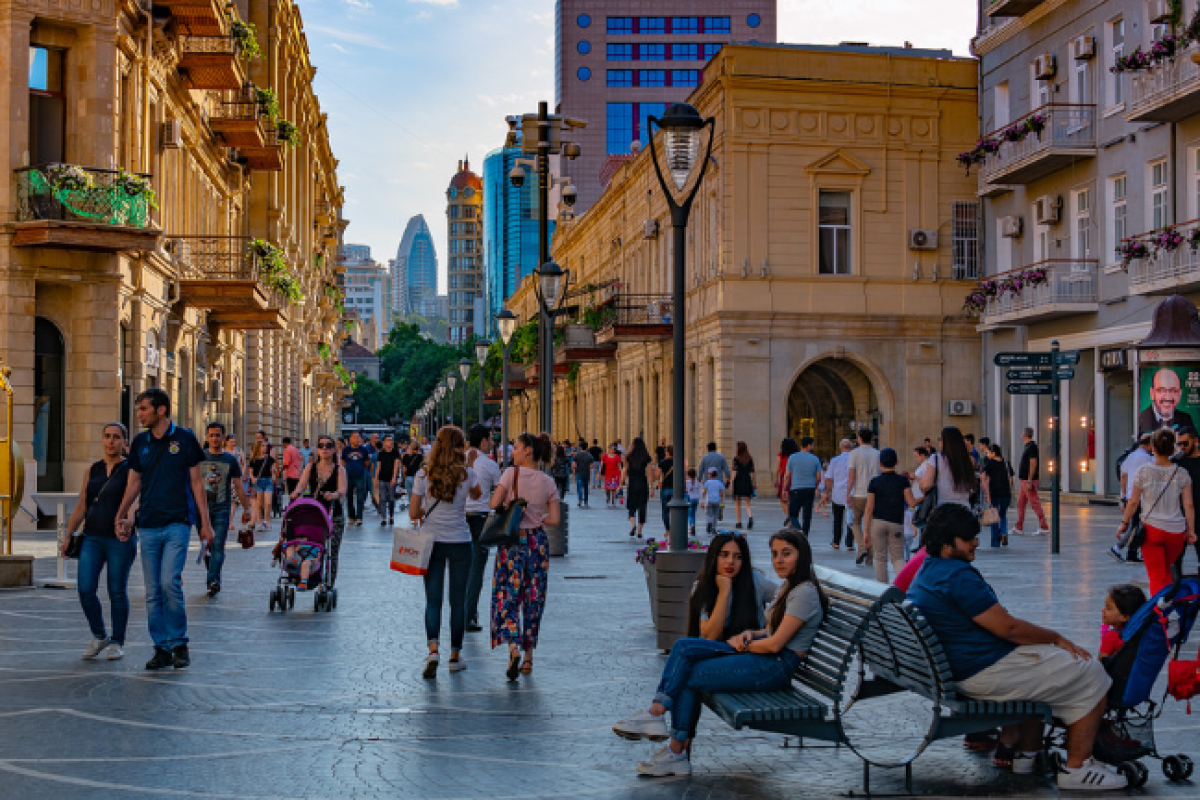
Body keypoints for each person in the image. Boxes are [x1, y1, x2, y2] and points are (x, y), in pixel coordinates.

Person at [907, 505, 1125, 790]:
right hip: (979, 670)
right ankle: (1077, 769)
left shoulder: (929, 569)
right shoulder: (957, 576)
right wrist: (1055, 637)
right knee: (1091, 672)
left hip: (958, 665)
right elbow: (1006, 628)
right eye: (969, 537)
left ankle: (1027, 756)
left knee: (1058, 668)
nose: (976, 542)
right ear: (948, 544)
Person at [611, 531, 827, 777]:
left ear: (803, 556)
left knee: (686, 662)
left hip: (773, 664)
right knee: (684, 651)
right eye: (775, 554)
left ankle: (663, 728)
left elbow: (776, 644)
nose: (778, 560)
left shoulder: (802, 592)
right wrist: (753, 634)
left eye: (786, 554)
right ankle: (670, 742)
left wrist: (744, 644)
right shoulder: (790, 587)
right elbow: (771, 631)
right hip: (763, 659)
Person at [114, 388, 213, 671]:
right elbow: (134, 484)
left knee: (170, 582)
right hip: (147, 525)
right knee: (152, 590)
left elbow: (197, 484)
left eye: (143, 408)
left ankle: (179, 643)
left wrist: (205, 524)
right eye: (138, 409)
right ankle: (161, 648)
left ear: (161, 410)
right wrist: (121, 514)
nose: (139, 414)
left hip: (177, 523)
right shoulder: (140, 442)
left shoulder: (185, 439)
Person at [409, 426, 482, 678]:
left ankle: (433, 650)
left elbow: (412, 513)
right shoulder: (468, 474)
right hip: (461, 541)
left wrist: (425, 513)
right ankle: (455, 655)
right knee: (457, 601)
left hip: (432, 542)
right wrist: (468, 464)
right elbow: (477, 494)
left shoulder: (423, 475)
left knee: (433, 599)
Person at [490, 432, 561, 680]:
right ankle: (528, 656)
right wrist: (538, 519)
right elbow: (555, 519)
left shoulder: (511, 474)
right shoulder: (548, 482)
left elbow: (493, 503)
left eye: (517, 448)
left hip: (513, 542)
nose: (513, 452)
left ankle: (512, 647)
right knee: (533, 597)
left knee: (508, 594)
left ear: (528, 450)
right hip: (537, 543)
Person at [63, 422, 134, 661]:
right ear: (102, 440)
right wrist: (69, 534)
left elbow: (135, 501)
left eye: (116, 437)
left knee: (116, 590)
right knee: (85, 588)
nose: (111, 441)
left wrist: (130, 521)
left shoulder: (131, 469)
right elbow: (82, 504)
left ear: (124, 442)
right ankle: (99, 634)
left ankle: (117, 640)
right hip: (92, 537)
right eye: (107, 436)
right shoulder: (91, 470)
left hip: (118, 539)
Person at [1117, 427, 1196, 594]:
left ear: (1153, 447)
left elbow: (1133, 502)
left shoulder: (1144, 472)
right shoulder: (1182, 473)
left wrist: (1124, 524)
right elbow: (1188, 505)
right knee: (1166, 572)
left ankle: (1160, 615)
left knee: (1157, 575)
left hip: (1152, 529)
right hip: (1176, 531)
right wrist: (1191, 530)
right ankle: (1169, 606)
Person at [686, 533, 777, 640]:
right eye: (724, 555)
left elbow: (789, 598)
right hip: (716, 650)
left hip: (748, 650)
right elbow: (711, 636)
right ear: (714, 557)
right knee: (682, 645)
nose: (730, 562)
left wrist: (767, 630)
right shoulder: (702, 585)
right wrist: (724, 592)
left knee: (681, 646)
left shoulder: (755, 580)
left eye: (738, 557)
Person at [200, 422, 251, 597]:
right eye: (211, 435)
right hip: (202, 509)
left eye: (218, 435)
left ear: (223, 437)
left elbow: (238, 485)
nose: (214, 438)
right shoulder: (200, 457)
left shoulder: (230, 460)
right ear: (207, 437)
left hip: (222, 508)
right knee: (207, 546)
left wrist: (246, 508)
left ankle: (213, 580)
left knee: (218, 545)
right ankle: (212, 575)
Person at [291, 435, 348, 586]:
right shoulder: (310, 467)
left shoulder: (339, 469)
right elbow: (301, 485)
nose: (325, 449)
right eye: (321, 445)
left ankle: (329, 582)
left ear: (334, 449)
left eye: (328, 445)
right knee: (312, 547)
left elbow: (343, 489)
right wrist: (296, 493)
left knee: (332, 550)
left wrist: (334, 494)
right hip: (314, 514)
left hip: (333, 513)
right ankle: (311, 575)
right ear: (317, 448)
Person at [465, 425, 501, 632]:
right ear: (483, 441)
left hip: (459, 520)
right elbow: (499, 493)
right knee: (477, 569)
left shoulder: (459, 462)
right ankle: (469, 615)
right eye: (490, 439)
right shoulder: (489, 465)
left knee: (461, 568)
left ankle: (459, 613)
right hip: (480, 519)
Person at [863, 448, 917, 583]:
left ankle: (882, 589)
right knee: (898, 558)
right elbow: (911, 502)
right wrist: (923, 497)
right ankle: (902, 587)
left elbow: (869, 508)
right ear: (897, 462)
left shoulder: (874, 482)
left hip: (878, 522)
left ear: (880, 463)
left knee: (880, 558)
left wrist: (865, 531)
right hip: (896, 523)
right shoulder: (902, 481)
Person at [1115, 432, 1154, 562]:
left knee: (1135, 524)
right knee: (1137, 525)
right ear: (1149, 444)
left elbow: (1124, 476)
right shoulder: (1147, 459)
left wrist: (1124, 494)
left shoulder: (1130, 456)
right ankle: (1125, 549)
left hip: (1130, 495)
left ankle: (1128, 550)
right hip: (1142, 497)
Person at [919, 426, 977, 510]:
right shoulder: (968, 460)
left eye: (940, 439)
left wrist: (920, 483)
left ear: (944, 441)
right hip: (965, 509)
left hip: (944, 509)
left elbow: (926, 485)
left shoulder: (936, 458)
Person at [847, 428, 881, 563]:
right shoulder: (877, 454)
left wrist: (847, 492)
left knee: (855, 522)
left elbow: (851, 475)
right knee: (872, 524)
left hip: (858, 493)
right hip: (874, 494)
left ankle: (862, 548)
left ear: (859, 438)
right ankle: (870, 556)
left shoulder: (854, 453)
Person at [1172, 426, 1200, 568]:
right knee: (1176, 561)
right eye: (1179, 444)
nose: (1182, 447)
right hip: (1180, 517)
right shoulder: (1177, 463)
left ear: (1195, 441)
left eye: (1185, 443)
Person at [1014, 427, 1049, 536]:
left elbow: (1033, 463)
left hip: (1028, 480)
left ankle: (1044, 526)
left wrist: (1030, 480)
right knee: (1020, 503)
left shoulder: (1032, 447)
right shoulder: (1028, 446)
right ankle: (1018, 527)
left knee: (1034, 503)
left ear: (1024, 434)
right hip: (1024, 480)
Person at [783, 436, 822, 534]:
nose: (813, 447)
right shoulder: (815, 459)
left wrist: (784, 489)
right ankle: (805, 535)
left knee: (792, 514)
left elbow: (787, 476)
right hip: (810, 489)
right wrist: (816, 486)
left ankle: (798, 529)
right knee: (807, 516)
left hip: (796, 489)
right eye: (812, 445)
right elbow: (818, 477)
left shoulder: (792, 457)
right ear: (808, 445)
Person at [1138, 368, 1196, 434]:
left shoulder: (1186, 419)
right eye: (1161, 390)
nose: (1167, 397)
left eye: (1173, 390)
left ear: (1180, 394)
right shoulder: (1141, 418)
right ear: (1152, 393)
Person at [1098, 584, 1147, 658]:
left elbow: (1101, 663)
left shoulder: (1112, 636)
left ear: (1124, 617)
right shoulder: (1142, 632)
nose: (1103, 610)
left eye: (1108, 608)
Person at [981, 444, 1014, 549]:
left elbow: (983, 477)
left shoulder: (990, 464)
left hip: (995, 492)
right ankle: (1004, 532)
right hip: (1006, 493)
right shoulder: (1005, 463)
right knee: (1003, 515)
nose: (987, 454)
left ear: (993, 453)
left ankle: (995, 541)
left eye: (988, 452)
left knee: (994, 516)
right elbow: (1011, 479)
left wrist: (987, 493)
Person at [823, 439, 853, 550]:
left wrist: (826, 492)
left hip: (838, 494)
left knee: (837, 519)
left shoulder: (835, 460)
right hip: (852, 493)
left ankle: (836, 542)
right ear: (851, 448)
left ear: (841, 448)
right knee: (851, 519)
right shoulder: (854, 459)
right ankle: (849, 543)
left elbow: (829, 478)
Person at [622, 437, 654, 538]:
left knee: (631, 505)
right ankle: (639, 531)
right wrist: (651, 487)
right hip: (642, 483)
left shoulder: (629, 456)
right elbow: (649, 473)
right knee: (642, 506)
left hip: (632, 483)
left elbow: (624, 467)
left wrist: (621, 482)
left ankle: (633, 524)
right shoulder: (646, 457)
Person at [341, 431, 373, 526]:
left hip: (360, 476)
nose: (356, 439)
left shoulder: (363, 449)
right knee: (349, 497)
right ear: (350, 439)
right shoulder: (346, 449)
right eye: (354, 437)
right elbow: (343, 462)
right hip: (348, 476)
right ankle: (351, 517)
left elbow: (367, 462)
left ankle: (359, 517)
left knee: (360, 497)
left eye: (358, 437)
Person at [374, 434, 402, 526]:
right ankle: (383, 518)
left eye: (391, 440)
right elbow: (378, 466)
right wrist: (375, 478)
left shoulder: (395, 452)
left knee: (391, 498)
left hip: (391, 478)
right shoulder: (381, 453)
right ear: (384, 442)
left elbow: (396, 465)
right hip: (382, 478)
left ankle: (391, 516)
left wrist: (394, 477)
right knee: (382, 498)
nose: (390, 442)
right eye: (388, 440)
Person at [730, 441, 756, 530]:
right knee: (747, 502)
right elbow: (752, 472)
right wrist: (754, 483)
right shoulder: (749, 458)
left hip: (738, 481)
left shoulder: (736, 459)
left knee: (737, 503)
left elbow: (734, 472)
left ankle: (739, 522)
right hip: (747, 481)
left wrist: (731, 483)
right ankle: (750, 517)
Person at [776, 437, 799, 522]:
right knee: (790, 500)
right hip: (794, 477)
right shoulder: (796, 456)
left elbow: (777, 468)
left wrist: (776, 479)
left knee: (783, 500)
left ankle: (789, 517)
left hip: (784, 477)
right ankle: (791, 517)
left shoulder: (781, 455)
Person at [401, 439, 424, 505]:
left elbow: (404, 469)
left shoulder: (405, 456)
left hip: (408, 478)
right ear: (419, 447)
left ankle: (412, 512)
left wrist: (403, 478)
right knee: (419, 497)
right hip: (418, 478)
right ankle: (419, 512)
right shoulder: (421, 457)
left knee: (410, 497)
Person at [658, 445, 675, 533]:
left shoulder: (662, 462)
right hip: (675, 489)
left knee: (665, 511)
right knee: (675, 510)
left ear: (667, 452)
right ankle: (675, 528)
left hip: (665, 488)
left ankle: (668, 530)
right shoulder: (677, 462)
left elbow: (656, 476)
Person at [572, 438, 594, 508]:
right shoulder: (590, 456)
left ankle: (580, 499)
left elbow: (573, 464)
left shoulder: (577, 455)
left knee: (579, 487)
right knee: (586, 487)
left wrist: (573, 471)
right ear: (587, 447)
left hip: (579, 472)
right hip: (586, 473)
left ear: (580, 447)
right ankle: (586, 500)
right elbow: (592, 466)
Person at [702, 468, 724, 534]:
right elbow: (721, 494)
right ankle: (713, 528)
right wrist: (722, 504)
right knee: (715, 515)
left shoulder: (707, 483)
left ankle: (709, 523)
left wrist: (702, 501)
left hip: (709, 500)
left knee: (709, 514)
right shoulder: (719, 483)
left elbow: (704, 492)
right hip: (717, 501)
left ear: (710, 475)